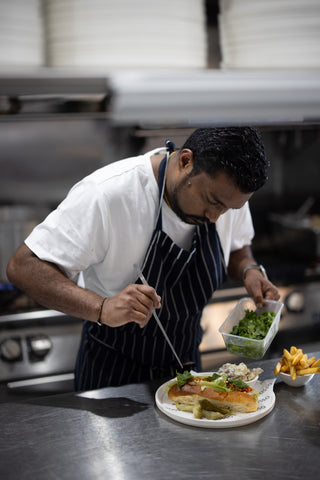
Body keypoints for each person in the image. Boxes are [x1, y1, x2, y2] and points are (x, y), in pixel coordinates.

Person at [7, 127, 280, 391]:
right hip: (111, 376)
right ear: (186, 161)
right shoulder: (108, 194)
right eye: (211, 202)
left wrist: (249, 269)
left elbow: (237, 246)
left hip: (186, 369)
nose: (215, 217)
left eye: (228, 208)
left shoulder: (226, 195)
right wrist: (102, 308)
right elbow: (23, 266)